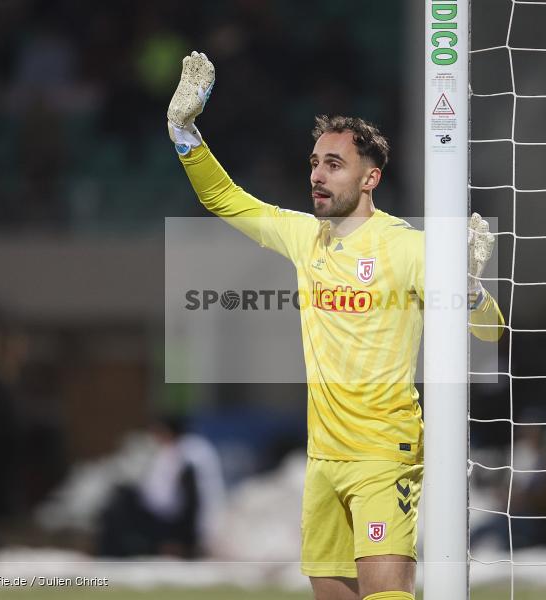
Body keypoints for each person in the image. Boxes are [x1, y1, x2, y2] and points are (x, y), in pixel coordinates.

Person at [167, 52, 504, 600]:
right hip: (323, 458)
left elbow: (492, 335)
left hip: (382, 453)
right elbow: (223, 199)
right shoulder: (306, 238)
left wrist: (470, 291)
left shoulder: (407, 247)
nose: (317, 176)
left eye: (334, 165)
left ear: (370, 177)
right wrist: (184, 132)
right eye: (315, 162)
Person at [97, 415, 224, 558]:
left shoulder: (190, 450)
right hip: (172, 513)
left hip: (191, 522)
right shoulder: (172, 450)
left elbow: (187, 498)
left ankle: (177, 544)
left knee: (122, 503)